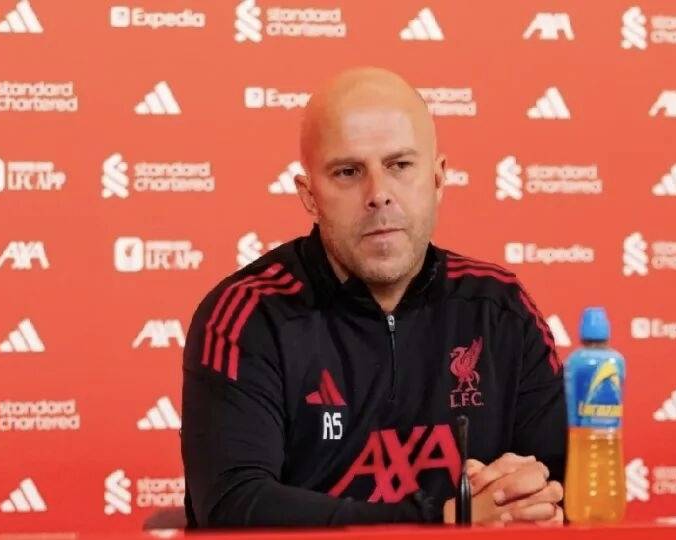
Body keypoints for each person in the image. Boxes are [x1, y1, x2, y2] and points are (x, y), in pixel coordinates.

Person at [180, 67, 566, 527]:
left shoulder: (500, 308)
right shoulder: (248, 317)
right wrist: (446, 521)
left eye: (399, 165)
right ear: (309, 195)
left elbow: (563, 484)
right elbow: (232, 508)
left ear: (438, 178)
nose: (379, 195)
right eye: (348, 172)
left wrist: (530, 496)